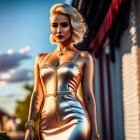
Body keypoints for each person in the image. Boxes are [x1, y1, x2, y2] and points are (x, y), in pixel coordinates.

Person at [24, 3, 100, 140]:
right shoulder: (40, 58)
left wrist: (94, 131)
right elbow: (37, 94)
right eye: (54, 25)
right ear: (50, 28)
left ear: (72, 26)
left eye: (64, 25)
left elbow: (88, 96)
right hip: (46, 123)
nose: (59, 30)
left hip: (75, 120)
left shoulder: (83, 57)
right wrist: (30, 125)